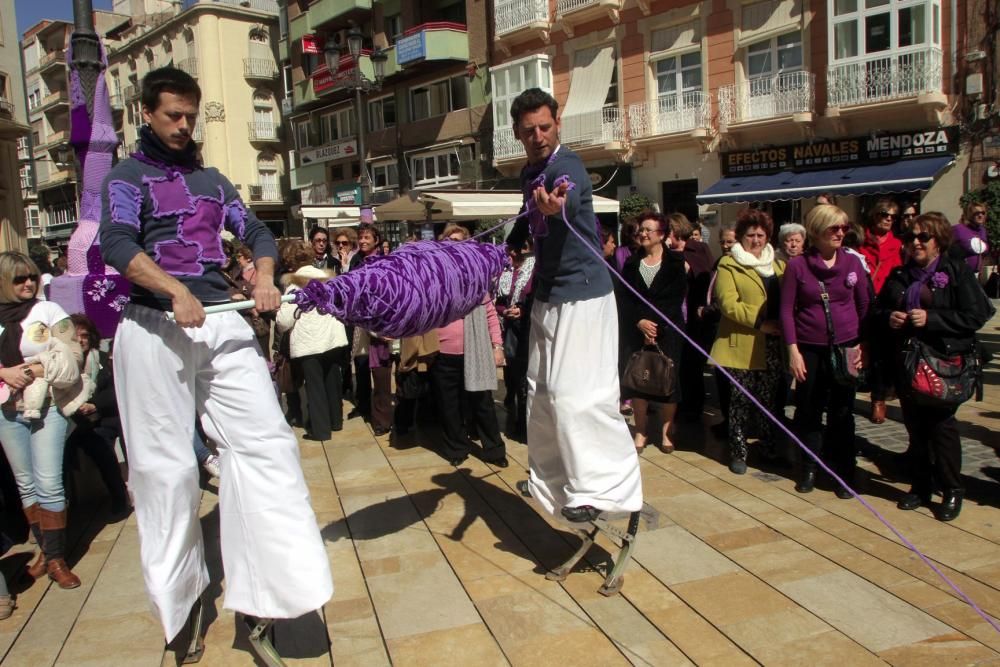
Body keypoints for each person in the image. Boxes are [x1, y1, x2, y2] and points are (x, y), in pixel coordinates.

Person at [98, 67, 332, 645]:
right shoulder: (126, 177)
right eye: (172, 115)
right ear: (146, 113)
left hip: (220, 320)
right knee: (167, 471)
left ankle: (279, 591)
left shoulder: (211, 177)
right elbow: (116, 242)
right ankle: (180, 613)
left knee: (269, 444)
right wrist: (172, 290)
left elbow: (256, 229)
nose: (183, 125)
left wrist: (267, 276)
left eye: (190, 115)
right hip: (153, 324)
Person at [506, 88, 642, 523]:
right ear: (517, 134)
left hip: (583, 296)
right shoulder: (528, 173)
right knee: (541, 394)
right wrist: (511, 244)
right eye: (529, 131)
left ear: (557, 124)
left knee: (576, 396)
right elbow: (528, 217)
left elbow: (565, 196)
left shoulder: (569, 167)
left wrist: (552, 206)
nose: (539, 136)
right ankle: (552, 479)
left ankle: (601, 488)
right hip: (547, 296)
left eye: (545, 127)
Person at [878, 213, 993, 521]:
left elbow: (977, 314)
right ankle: (920, 485)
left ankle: (952, 488)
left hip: (944, 362)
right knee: (915, 428)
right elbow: (878, 310)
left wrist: (933, 319)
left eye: (922, 237)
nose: (915, 242)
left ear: (938, 241)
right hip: (908, 363)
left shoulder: (954, 272)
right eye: (911, 237)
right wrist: (889, 317)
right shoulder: (901, 274)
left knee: (942, 428)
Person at [0, 252, 85, 589]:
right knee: (26, 484)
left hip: (48, 405)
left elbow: (74, 352)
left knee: (49, 482)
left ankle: (57, 559)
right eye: (19, 278)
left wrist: (36, 369)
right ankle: (46, 555)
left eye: (31, 276)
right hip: (7, 410)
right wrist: (5, 372)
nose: (28, 283)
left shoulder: (48, 311)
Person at [782, 204, 870, 496]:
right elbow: (786, 310)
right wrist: (793, 350)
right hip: (809, 348)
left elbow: (863, 305)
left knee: (843, 411)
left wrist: (862, 344)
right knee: (808, 409)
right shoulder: (798, 266)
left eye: (844, 227)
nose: (841, 233)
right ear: (818, 231)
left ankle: (844, 471)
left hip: (846, 346)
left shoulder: (853, 263)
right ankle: (808, 467)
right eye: (835, 228)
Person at [710, 210, 785, 474]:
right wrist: (759, 322)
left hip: (773, 345)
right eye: (750, 235)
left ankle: (768, 448)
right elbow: (728, 303)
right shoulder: (728, 264)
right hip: (741, 344)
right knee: (740, 401)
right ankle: (738, 452)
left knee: (768, 401)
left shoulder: (778, 266)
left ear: (768, 237)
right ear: (741, 237)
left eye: (760, 235)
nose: (756, 240)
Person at [430, 224, 508, 466]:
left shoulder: (476, 278)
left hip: (475, 351)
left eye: (459, 240)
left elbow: (490, 314)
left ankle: (494, 450)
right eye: (449, 240)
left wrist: (497, 346)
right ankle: (456, 450)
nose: (454, 244)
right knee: (449, 406)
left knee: (483, 404)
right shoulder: (435, 278)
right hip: (442, 353)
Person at [621, 211, 687, 453]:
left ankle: (666, 432)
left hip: (668, 330)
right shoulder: (630, 263)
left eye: (648, 229)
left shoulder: (676, 263)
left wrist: (655, 325)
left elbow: (675, 296)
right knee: (639, 381)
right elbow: (626, 297)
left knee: (668, 381)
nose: (643, 233)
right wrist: (640, 321)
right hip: (637, 331)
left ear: (662, 234)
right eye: (641, 229)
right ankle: (641, 431)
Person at [276, 242, 348, 441]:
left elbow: (284, 321)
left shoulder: (294, 285)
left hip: (309, 341)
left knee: (314, 386)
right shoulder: (327, 278)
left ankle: (320, 430)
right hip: (332, 336)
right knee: (332, 380)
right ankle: (336, 421)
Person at [65, 313, 130, 518]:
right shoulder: (63, 366)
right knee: (89, 452)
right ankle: (66, 509)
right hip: (81, 424)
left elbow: (117, 389)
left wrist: (94, 404)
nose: (81, 340)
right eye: (76, 337)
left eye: (85, 335)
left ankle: (130, 495)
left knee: (117, 446)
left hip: (110, 416)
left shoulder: (101, 359)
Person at [666, 213, 714, 423]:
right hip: (674, 317)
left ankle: (693, 409)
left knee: (692, 365)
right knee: (677, 365)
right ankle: (679, 407)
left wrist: (683, 264)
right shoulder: (665, 253)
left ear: (674, 232)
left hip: (696, 317)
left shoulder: (699, 248)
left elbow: (704, 275)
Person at [859, 198, 903, 424]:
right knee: (867, 353)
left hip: (888, 306)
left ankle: (884, 394)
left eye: (893, 216)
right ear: (875, 215)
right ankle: (872, 396)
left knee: (886, 354)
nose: (889, 219)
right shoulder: (860, 241)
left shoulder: (899, 245)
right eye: (885, 214)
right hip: (864, 304)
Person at [348, 223, 393, 435]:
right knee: (364, 367)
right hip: (361, 324)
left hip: (380, 324)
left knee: (382, 374)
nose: (363, 241)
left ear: (376, 240)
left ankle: (383, 421)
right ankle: (368, 409)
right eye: (361, 237)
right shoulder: (356, 262)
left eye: (367, 237)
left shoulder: (385, 263)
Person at [496, 241, 535, 441]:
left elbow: (535, 299)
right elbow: (499, 302)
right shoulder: (506, 272)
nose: (515, 252)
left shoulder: (534, 270)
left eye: (520, 248)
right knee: (518, 379)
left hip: (530, 331)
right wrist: (506, 311)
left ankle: (527, 426)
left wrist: (523, 310)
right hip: (511, 332)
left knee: (529, 381)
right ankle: (520, 423)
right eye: (512, 248)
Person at [952, 201, 990, 274]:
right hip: (961, 275)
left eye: (983, 213)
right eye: (976, 213)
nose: (980, 215)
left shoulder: (982, 230)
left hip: (977, 274)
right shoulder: (958, 229)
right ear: (969, 215)